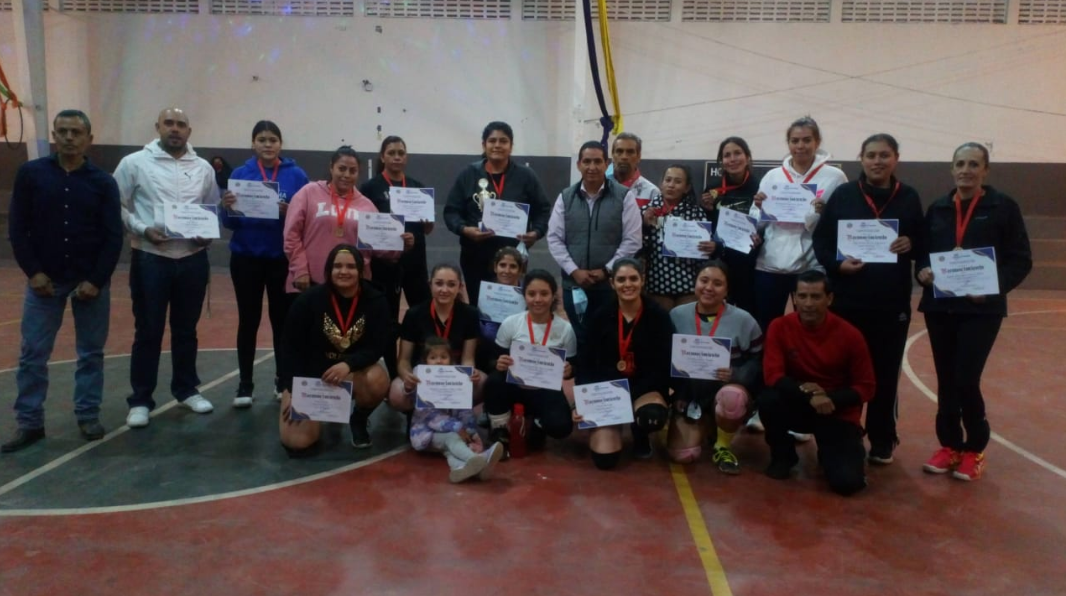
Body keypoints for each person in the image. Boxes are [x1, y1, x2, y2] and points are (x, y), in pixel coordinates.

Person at [2, 110, 123, 452]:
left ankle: (87, 414)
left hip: (90, 282)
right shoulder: (31, 174)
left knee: (90, 353)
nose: (69, 137)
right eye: (63, 131)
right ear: (54, 135)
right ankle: (29, 422)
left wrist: (97, 280)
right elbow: (17, 228)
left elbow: (113, 236)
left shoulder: (103, 183)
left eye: (76, 132)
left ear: (89, 139)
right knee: (33, 354)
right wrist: (33, 273)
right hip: (45, 282)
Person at [915, 142, 1032, 482]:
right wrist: (922, 272)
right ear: (951, 169)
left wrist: (992, 288)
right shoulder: (938, 208)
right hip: (940, 307)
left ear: (986, 170)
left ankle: (975, 448)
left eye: (973, 164)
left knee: (966, 379)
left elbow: (1021, 259)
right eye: (960, 164)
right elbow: (924, 255)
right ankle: (949, 445)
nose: (966, 170)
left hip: (981, 310)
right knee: (946, 380)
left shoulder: (1002, 207)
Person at [812, 133, 924, 464]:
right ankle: (839, 432)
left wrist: (910, 244)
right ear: (861, 158)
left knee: (884, 373)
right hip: (847, 300)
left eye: (884, 155)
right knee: (839, 371)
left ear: (896, 158)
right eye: (871, 155)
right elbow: (822, 242)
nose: (878, 161)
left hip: (891, 304)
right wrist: (837, 264)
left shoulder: (909, 197)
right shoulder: (844, 195)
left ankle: (882, 437)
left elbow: (922, 240)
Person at [115, 107, 217, 428]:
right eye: (169, 123)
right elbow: (114, 204)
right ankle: (141, 399)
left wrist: (206, 234)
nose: (175, 129)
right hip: (150, 258)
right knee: (148, 329)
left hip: (191, 259)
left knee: (186, 330)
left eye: (181, 124)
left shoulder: (202, 168)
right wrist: (143, 230)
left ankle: (186, 389)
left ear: (190, 131)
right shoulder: (133, 164)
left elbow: (209, 207)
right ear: (157, 126)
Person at [758, 270, 875, 496]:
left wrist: (830, 398)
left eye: (815, 296)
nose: (808, 304)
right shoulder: (779, 327)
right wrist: (811, 395)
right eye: (802, 296)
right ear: (794, 298)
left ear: (829, 298)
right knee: (768, 399)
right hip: (800, 403)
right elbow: (772, 375)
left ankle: (836, 450)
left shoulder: (850, 335)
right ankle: (784, 455)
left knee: (847, 484)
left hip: (836, 410)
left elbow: (866, 387)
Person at [220, 120, 310, 407]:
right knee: (248, 321)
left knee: (282, 322)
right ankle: (245, 384)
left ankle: (282, 380)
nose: (267, 144)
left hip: (281, 260)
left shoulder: (297, 175)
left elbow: (306, 221)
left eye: (272, 139)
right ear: (253, 144)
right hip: (246, 258)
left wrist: (289, 213)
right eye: (262, 139)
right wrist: (228, 209)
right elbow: (229, 224)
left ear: (280, 144)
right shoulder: (240, 173)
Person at [278, 245, 391, 453]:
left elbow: (377, 346)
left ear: (360, 270)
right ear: (329, 270)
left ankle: (358, 419)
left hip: (348, 375)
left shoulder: (376, 301)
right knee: (297, 442)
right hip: (310, 378)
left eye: (350, 266)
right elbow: (289, 349)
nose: (344, 271)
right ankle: (319, 416)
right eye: (337, 266)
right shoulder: (308, 300)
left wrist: (348, 363)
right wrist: (294, 391)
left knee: (377, 379)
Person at [750, 116, 848, 334]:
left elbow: (841, 223)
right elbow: (757, 224)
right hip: (770, 263)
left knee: (812, 328)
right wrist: (760, 208)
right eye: (795, 141)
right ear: (788, 144)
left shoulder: (835, 177)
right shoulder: (772, 176)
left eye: (806, 140)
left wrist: (821, 214)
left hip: (812, 265)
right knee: (767, 327)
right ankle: (769, 368)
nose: (800, 146)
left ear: (817, 142)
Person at [667, 260, 763, 474]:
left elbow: (758, 361)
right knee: (683, 456)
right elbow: (668, 358)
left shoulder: (744, 320)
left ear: (727, 289)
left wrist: (736, 374)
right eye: (704, 280)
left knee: (732, 399)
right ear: (695, 283)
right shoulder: (677, 315)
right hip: (691, 393)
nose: (709, 288)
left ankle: (723, 445)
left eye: (718, 283)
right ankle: (706, 424)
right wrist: (679, 393)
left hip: (726, 389)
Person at [577, 258, 673, 468]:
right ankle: (612, 426)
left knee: (651, 416)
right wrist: (583, 400)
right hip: (608, 390)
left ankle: (641, 434)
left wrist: (632, 393)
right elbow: (586, 360)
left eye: (633, 278)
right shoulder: (599, 315)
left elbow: (665, 363)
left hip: (644, 388)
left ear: (643, 281)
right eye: (621, 279)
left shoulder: (658, 317)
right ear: (612, 283)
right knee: (605, 461)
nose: (627, 284)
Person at [547, 140, 641, 353]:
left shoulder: (625, 197)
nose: (592, 167)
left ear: (607, 163)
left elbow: (632, 240)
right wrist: (574, 270)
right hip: (574, 284)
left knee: (608, 340)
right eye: (587, 161)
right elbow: (554, 239)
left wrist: (607, 270)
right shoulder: (565, 197)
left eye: (598, 161)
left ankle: (605, 385)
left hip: (610, 285)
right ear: (579, 164)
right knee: (581, 338)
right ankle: (583, 384)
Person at [444, 121, 550, 306]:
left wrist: (536, 232)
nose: (498, 145)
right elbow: (451, 212)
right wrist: (464, 229)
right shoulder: (468, 174)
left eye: (503, 141)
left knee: (511, 306)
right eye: (492, 141)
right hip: (475, 255)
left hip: (513, 258)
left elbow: (543, 210)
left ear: (511, 146)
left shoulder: (526, 176)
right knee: (479, 306)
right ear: (484, 145)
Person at [283, 146, 407, 293]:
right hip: (310, 283)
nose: (346, 175)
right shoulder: (308, 193)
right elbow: (291, 235)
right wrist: (300, 269)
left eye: (352, 171)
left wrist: (399, 243)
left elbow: (378, 247)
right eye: (341, 169)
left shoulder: (367, 205)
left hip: (353, 287)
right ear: (331, 167)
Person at [486, 270, 578, 459]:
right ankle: (500, 430)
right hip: (514, 387)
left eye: (544, 294)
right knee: (494, 381)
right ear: (524, 295)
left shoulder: (565, 329)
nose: (538, 299)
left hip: (545, 391)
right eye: (532, 293)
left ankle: (537, 423)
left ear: (553, 296)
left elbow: (573, 366)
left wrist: (569, 371)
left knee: (561, 428)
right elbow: (493, 360)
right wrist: (499, 363)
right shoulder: (511, 323)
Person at [388, 264, 485, 412]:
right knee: (396, 393)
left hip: (454, 378)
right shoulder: (414, 314)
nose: (444, 290)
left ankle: (456, 414)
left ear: (460, 287)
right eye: (439, 283)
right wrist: (407, 376)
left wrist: (470, 373)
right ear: (430, 285)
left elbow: (468, 358)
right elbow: (404, 360)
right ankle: (416, 415)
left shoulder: (470, 314)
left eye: (451, 285)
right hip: (422, 377)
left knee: (483, 382)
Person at [408, 337, 504, 483]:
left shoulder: (457, 377)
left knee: (450, 448)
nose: (439, 361)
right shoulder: (420, 379)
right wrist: (458, 427)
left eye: (443, 357)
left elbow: (464, 408)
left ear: (451, 360)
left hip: (451, 430)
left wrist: (471, 431)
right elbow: (428, 415)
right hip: (425, 433)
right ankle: (478, 459)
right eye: (433, 357)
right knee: (452, 438)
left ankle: (460, 468)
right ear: (425, 361)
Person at [359, 135, 432, 319]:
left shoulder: (418, 188)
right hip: (383, 263)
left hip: (415, 260)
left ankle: (421, 348)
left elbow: (428, 230)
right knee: (385, 313)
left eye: (401, 153)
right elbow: (364, 226)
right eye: (391, 153)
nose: (397, 157)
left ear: (406, 157)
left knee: (421, 310)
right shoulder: (369, 188)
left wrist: (428, 223)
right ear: (382, 157)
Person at [641, 164, 720, 310]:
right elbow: (636, 247)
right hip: (656, 284)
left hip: (688, 285)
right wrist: (644, 225)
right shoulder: (647, 211)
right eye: (668, 180)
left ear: (687, 187)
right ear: (661, 184)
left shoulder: (697, 213)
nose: (671, 185)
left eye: (677, 181)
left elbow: (706, 253)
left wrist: (709, 247)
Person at [701, 136, 762, 315]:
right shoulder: (713, 189)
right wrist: (708, 210)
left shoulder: (760, 187)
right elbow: (707, 226)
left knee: (746, 312)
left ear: (748, 157)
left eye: (737, 153)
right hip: (721, 261)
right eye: (727, 155)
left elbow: (767, 225)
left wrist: (760, 238)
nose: (732, 159)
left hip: (749, 263)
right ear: (722, 161)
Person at [476, 246, 527, 372]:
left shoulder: (528, 294)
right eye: (502, 265)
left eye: (513, 266)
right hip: (489, 353)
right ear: (495, 267)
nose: (507, 271)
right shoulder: (485, 294)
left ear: (520, 270)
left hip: (520, 354)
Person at [608, 132, 659, 208]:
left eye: (630, 152)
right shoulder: (601, 187)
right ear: (612, 155)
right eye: (619, 151)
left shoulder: (651, 192)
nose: (624, 157)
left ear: (639, 156)